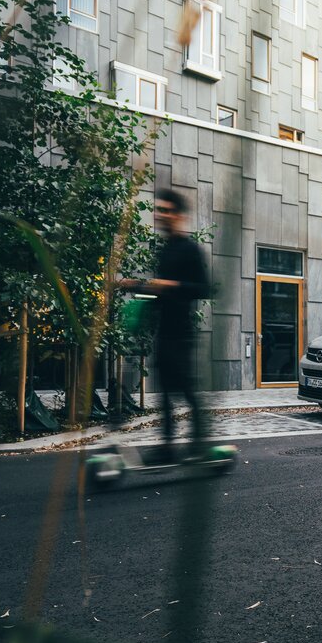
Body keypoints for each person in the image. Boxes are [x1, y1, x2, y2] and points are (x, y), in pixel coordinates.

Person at [120, 188, 211, 461]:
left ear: (180, 215)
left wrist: (170, 285)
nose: (161, 215)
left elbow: (204, 288)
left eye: (166, 210)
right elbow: (159, 291)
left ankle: (197, 445)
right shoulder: (166, 250)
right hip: (164, 331)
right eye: (159, 210)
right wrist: (133, 285)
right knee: (167, 393)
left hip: (181, 334)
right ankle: (169, 446)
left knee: (185, 390)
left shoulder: (190, 249)